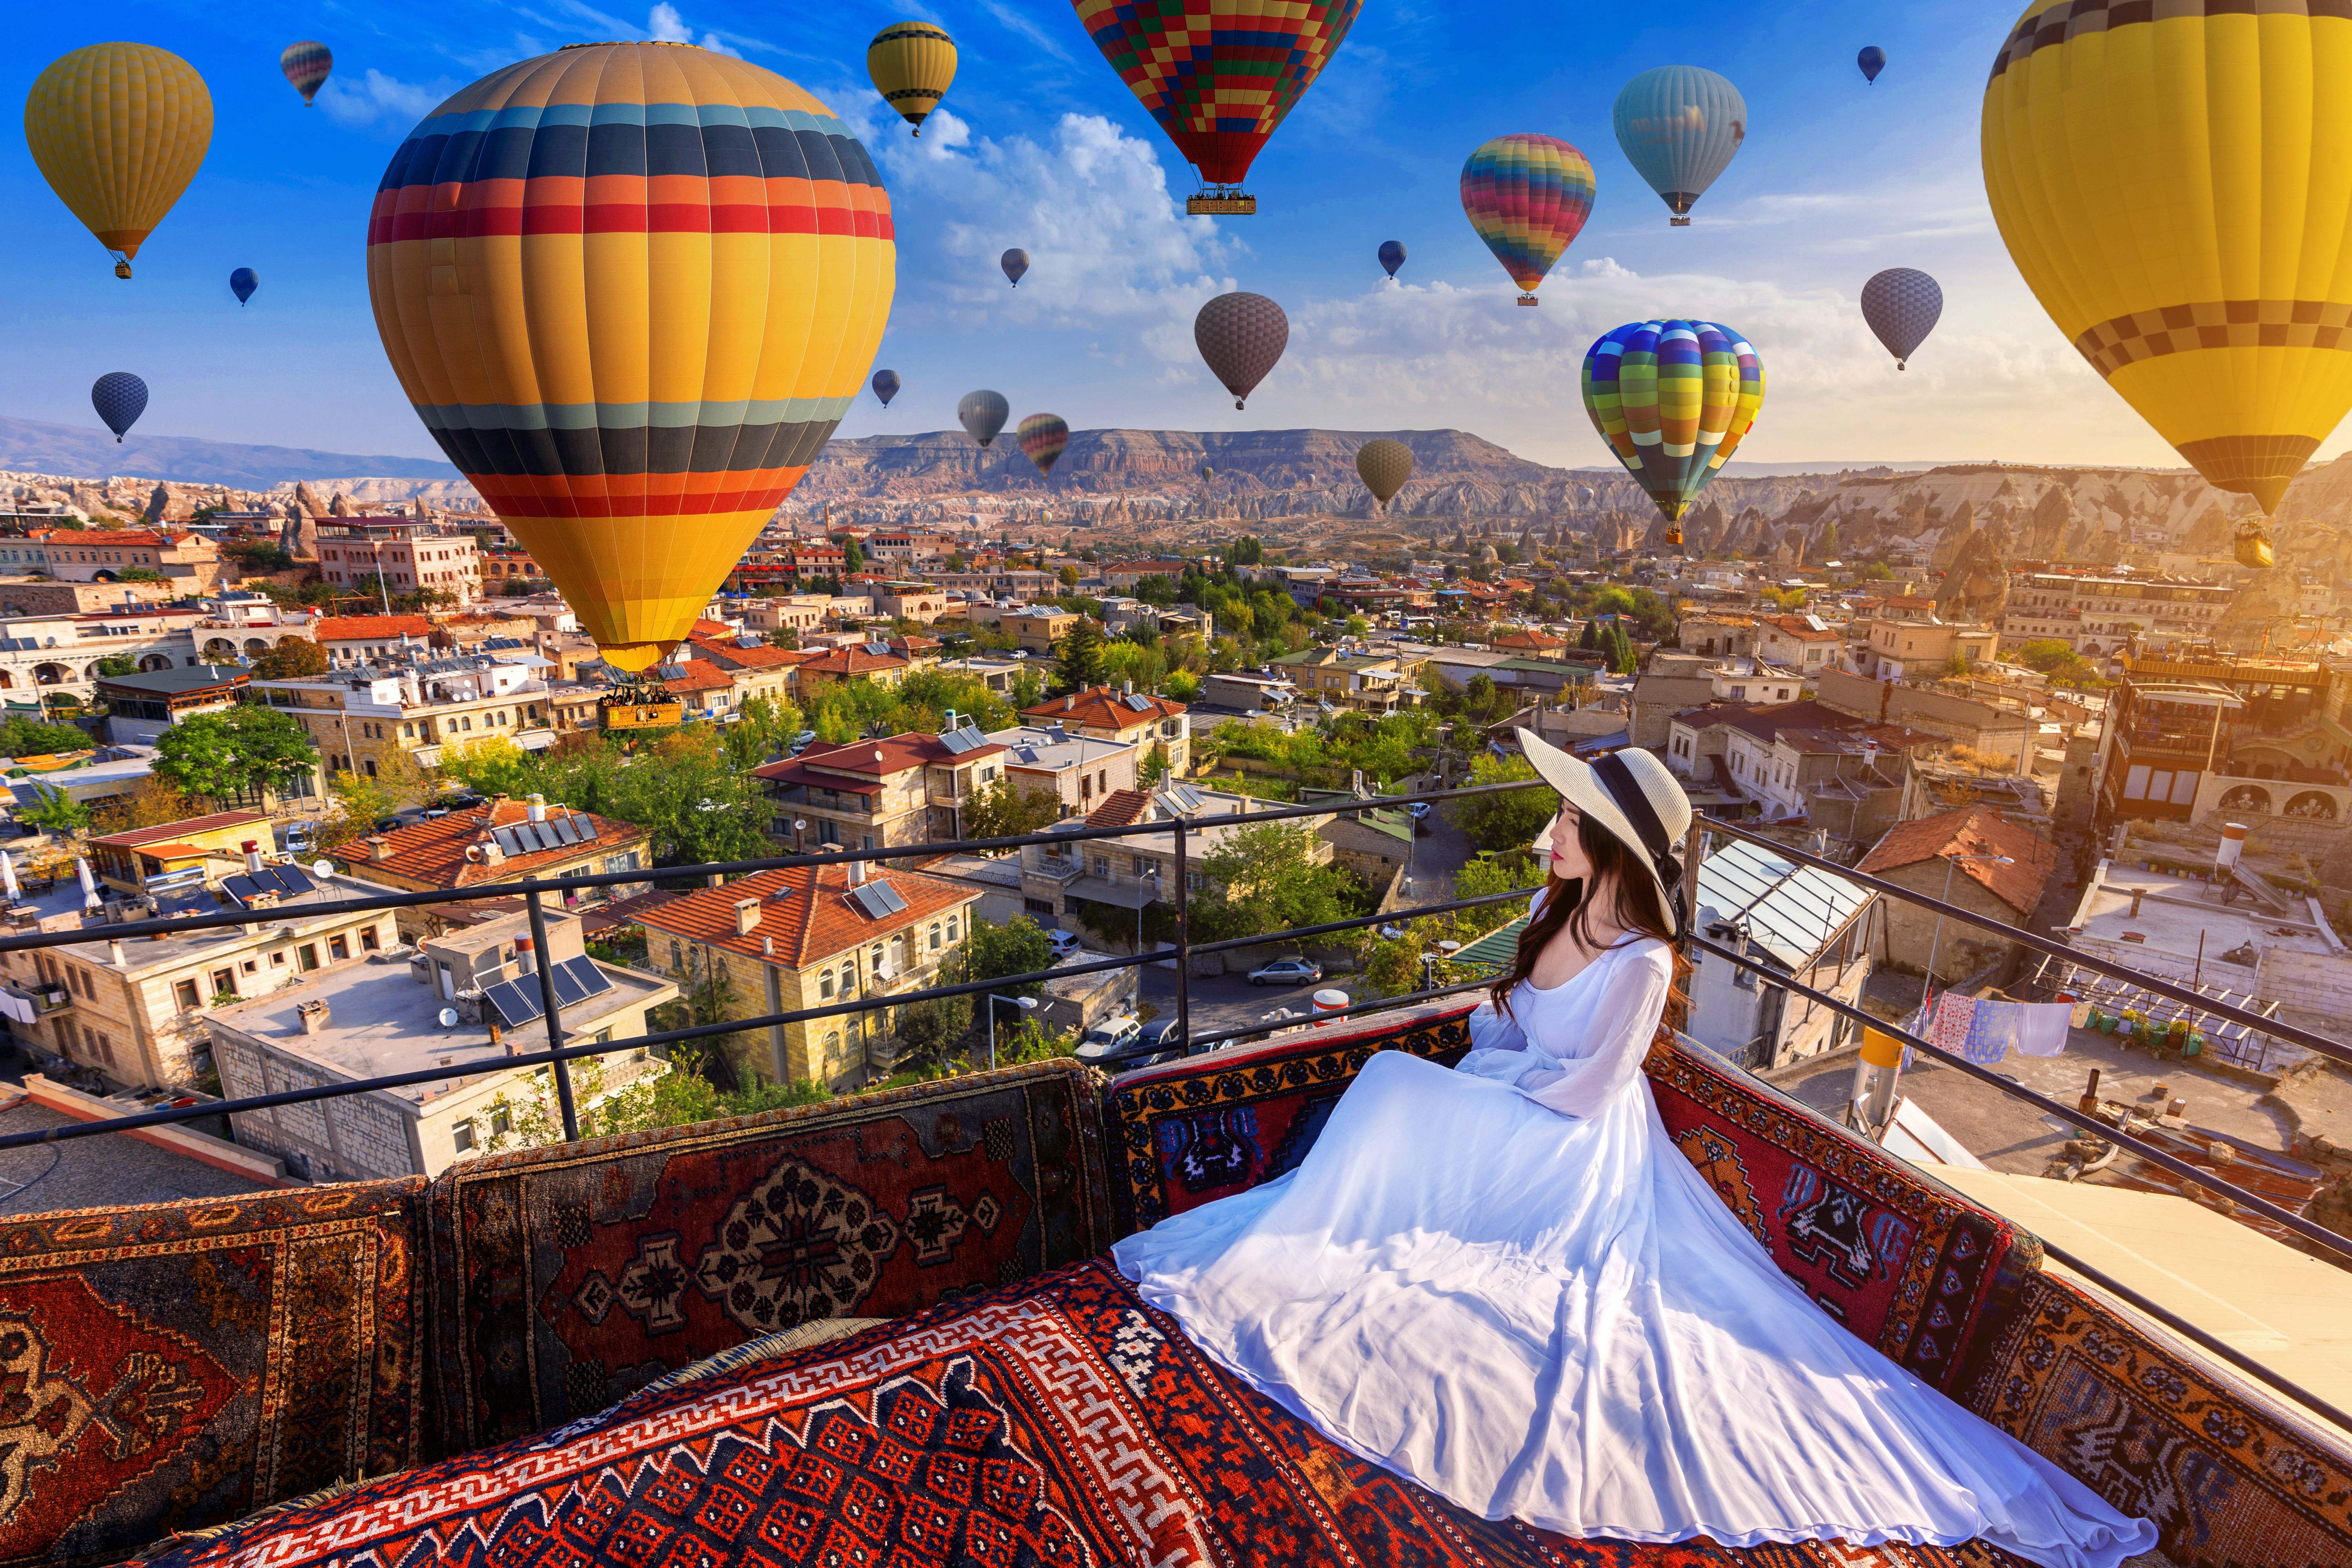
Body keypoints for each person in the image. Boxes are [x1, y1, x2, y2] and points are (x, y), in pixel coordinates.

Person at [1114, 735, 2156, 1568]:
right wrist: (1491, 1051)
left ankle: (1347, 1222)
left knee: (1393, 1089)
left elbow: (1594, 1088)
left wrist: (1491, 1082)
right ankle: (1333, 1224)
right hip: (1526, 1102)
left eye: (1569, 820)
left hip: (1578, 1141)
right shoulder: (1548, 909)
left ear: (1612, 840)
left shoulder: (1645, 961)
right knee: (1397, 1091)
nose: (1550, 833)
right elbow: (1514, 1033)